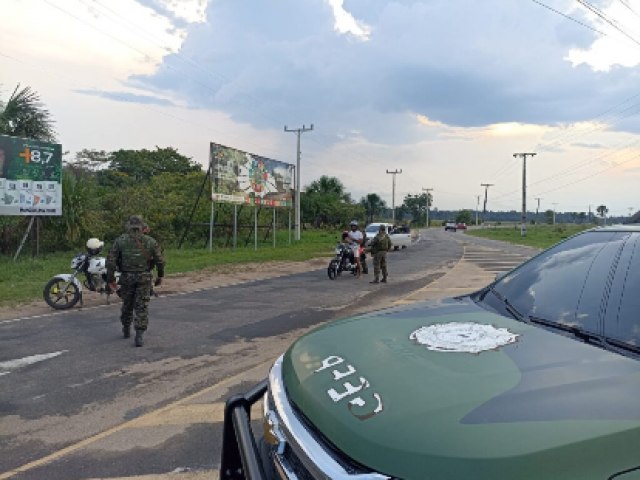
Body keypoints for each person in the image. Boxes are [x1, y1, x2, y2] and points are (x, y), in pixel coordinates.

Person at [106, 215, 165, 347]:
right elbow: (160, 261)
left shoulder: (120, 241)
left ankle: (126, 328)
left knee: (127, 304)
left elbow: (110, 262)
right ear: (141, 226)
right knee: (141, 305)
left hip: (126, 277)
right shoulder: (150, 241)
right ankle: (139, 334)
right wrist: (160, 276)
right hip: (144, 277)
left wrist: (110, 279)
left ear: (128, 226)